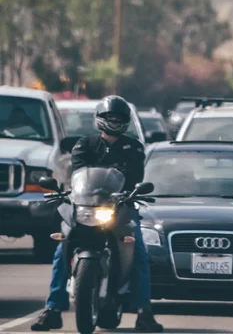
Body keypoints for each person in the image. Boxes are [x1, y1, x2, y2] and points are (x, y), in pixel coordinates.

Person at [31, 95, 164, 332]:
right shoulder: (84, 144)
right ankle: (52, 309)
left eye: (117, 118)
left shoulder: (134, 146)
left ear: (125, 121)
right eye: (108, 117)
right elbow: (79, 174)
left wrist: (128, 193)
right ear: (98, 119)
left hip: (120, 207)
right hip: (84, 207)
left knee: (140, 255)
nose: (112, 121)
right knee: (62, 249)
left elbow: (134, 178)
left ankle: (145, 312)